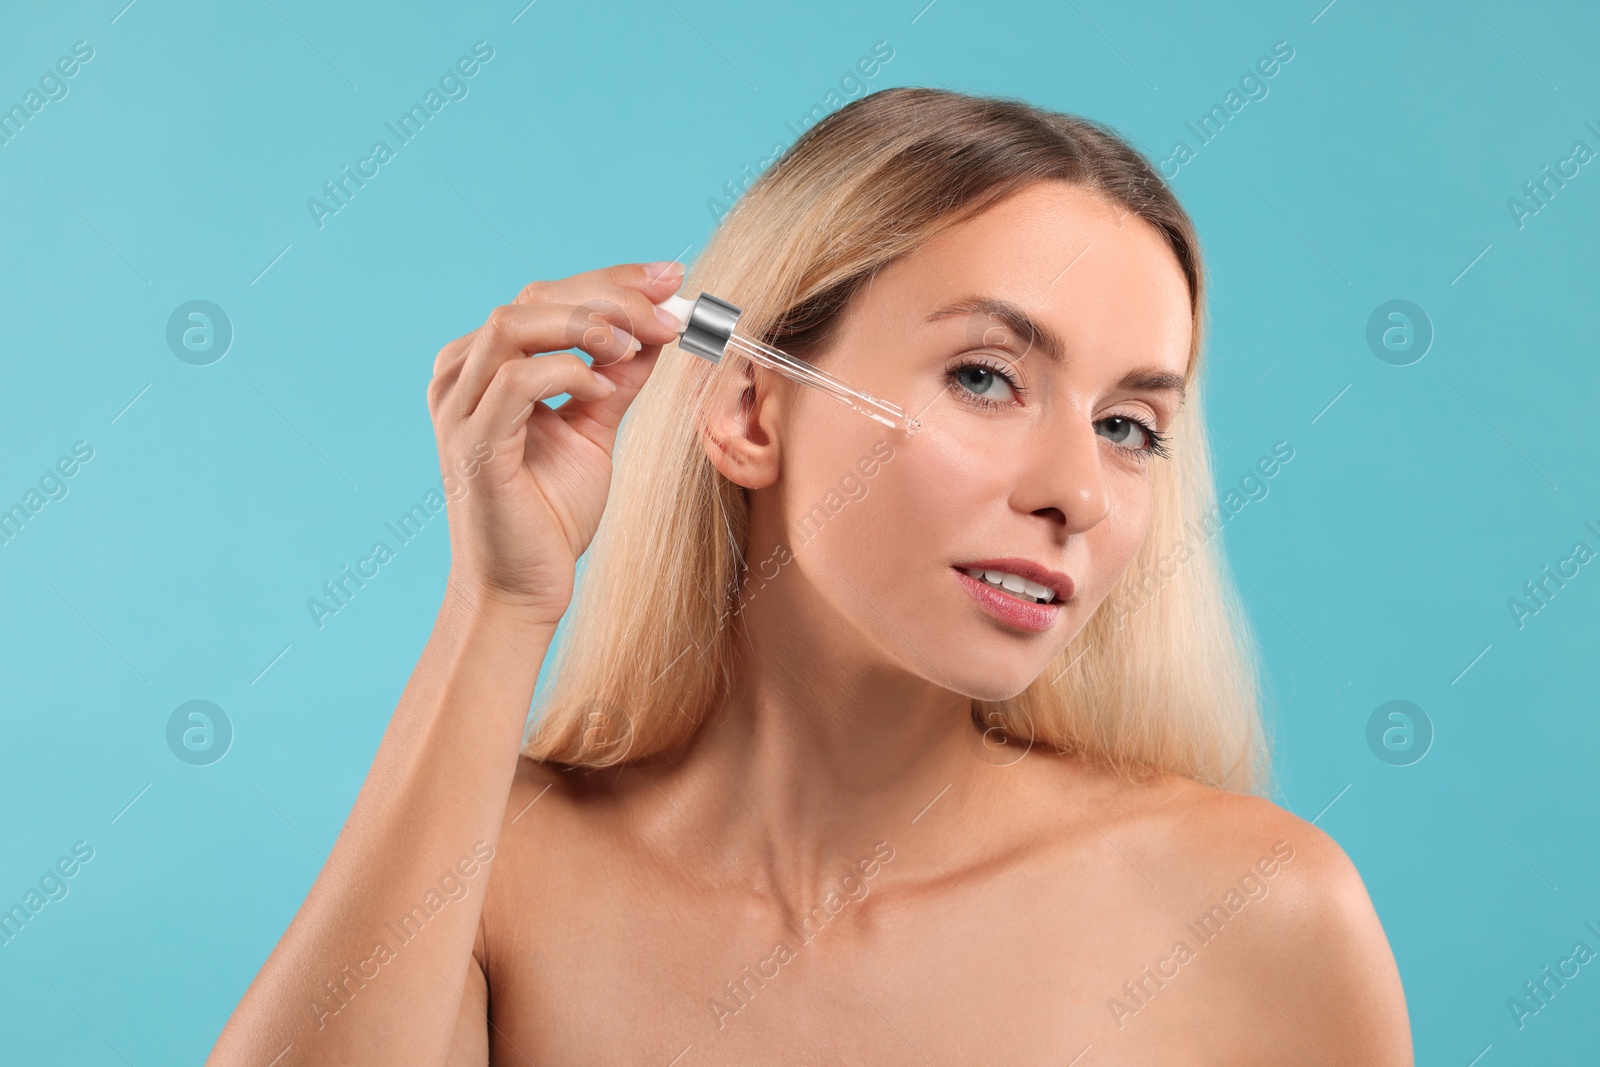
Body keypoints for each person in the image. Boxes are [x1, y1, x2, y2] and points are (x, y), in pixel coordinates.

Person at [209, 87, 1412, 1064]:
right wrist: (501, 603)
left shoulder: (1255, 909)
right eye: (987, 377)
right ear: (747, 404)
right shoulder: (489, 873)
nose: (1077, 493)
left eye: (1129, 426)